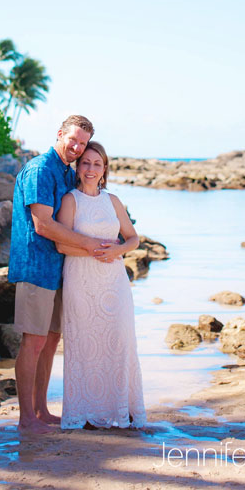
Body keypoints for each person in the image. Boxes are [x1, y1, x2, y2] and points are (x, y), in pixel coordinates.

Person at [8, 115, 112, 434]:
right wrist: (90, 243)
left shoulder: (67, 172)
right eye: (74, 140)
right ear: (60, 134)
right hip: (35, 267)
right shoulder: (41, 169)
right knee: (34, 342)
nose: (77, 147)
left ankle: (41, 410)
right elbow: (43, 224)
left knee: (51, 341)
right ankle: (26, 417)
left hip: (59, 269)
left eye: (82, 143)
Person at [56, 141, 147, 429]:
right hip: (81, 282)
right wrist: (96, 251)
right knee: (84, 345)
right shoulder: (70, 200)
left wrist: (116, 252)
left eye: (97, 163)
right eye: (86, 163)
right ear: (78, 167)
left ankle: (122, 410)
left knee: (119, 342)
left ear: (104, 168)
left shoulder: (113, 201)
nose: (91, 168)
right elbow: (61, 244)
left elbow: (133, 238)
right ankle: (85, 413)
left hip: (114, 283)